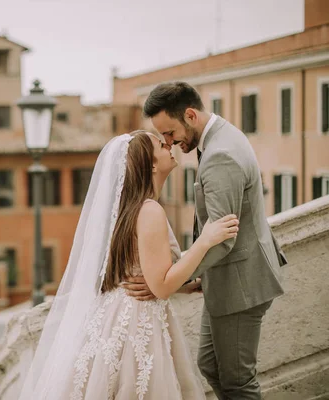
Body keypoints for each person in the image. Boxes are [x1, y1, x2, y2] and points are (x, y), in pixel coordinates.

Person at [19, 131, 239, 399]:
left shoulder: (127, 211)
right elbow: (161, 286)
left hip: (116, 318)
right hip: (137, 324)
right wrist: (205, 241)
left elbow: (136, 275)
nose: (169, 145)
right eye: (161, 144)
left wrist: (185, 286)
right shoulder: (149, 211)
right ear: (151, 164)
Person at [126, 82, 287, 399]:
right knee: (211, 366)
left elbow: (223, 238)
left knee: (239, 382)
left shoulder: (219, 156)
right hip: (229, 279)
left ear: (189, 114)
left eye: (170, 133)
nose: (170, 143)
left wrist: (172, 277)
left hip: (240, 284)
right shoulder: (222, 134)